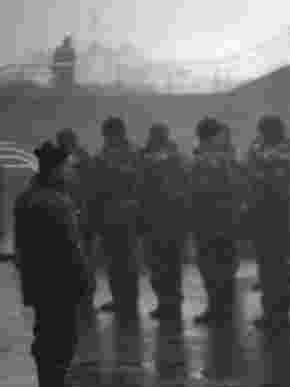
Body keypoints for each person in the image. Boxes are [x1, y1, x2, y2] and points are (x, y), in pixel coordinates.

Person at [13, 141, 92, 387]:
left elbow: (21, 248)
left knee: (47, 335)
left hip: (39, 281)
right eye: (67, 167)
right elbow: (72, 248)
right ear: (57, 169)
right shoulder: (57, 202)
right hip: (61, 281)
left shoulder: (26, 198)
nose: (71, 172)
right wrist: (84, 279)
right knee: (61, 338)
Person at [246, 115, 290, 331]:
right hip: (280, 212)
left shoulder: (259, 150)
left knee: (271, 265)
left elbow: (252, 175)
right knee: (279, 264)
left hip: (271, 212)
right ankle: (279, 311)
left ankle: (274, 312)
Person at [190, 118, 244, 325]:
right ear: (213, 136)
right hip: (224, 221)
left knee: (212, 267)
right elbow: (236, 187)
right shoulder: (225, 159)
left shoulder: (199, 160)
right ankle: (223, 309)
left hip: (208, 222)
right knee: (223, 266)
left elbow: (194, 193)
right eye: (220, 133)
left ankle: (217, 309)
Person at [138, 123, 189, 321]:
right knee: (162, 266)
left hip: (165, 220)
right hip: (160, 220)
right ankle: (167, 303)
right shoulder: (168, 157)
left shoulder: (169, 157)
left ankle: (170, 303)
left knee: (166, 265)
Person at [92, 116, 141, 319]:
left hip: (125, 215)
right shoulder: (103, 153)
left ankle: (128, 300)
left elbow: (137, 180)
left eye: (110, 135)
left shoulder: (131, 153)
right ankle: (120, 298)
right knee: (113, 261)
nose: (108, 139)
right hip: (109, 215)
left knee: (126, 260)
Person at [54, 128, 95, 319]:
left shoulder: (79, 159)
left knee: (82, 258)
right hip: (68, 216)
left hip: (78, 216)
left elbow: (87, 187)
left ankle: (84, 297)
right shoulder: (63, 160)